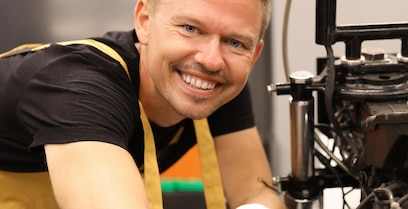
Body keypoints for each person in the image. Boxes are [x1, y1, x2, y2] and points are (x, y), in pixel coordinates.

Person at [0, 0, 286, 208]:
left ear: (255, 53)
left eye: (235, 43)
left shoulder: (218, 86)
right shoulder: (78, 86)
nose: (211, 60)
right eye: (190, 28)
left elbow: (256, 193)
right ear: (144, 22)